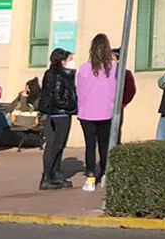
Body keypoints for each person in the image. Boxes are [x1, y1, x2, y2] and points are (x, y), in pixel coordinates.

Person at [76, 33, 121, 193]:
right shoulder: (114, 68)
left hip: (87, 113)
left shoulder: (85, 68)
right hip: (106, 112)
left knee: (90, 146)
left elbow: (79, 89)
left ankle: (90, 177)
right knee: (104, 146)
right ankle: (104, 175)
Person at [37, 48, 78, 190]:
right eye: (69, 59)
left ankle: (54, 173)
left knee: (58, 145)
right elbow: (57, 97)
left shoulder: (60, 74)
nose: (72, 62)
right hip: (58, 114)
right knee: (54, 145)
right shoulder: (58, 75)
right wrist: (72, 105)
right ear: (62, 61)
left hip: (59, 113)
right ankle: (48, 176)